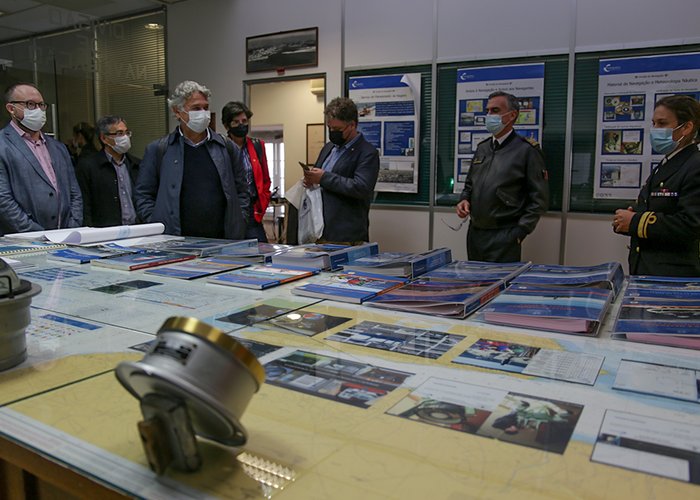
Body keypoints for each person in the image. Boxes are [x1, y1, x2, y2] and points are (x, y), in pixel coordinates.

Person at [134, 80, 250, 239]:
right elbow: (143, 194)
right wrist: (155, 222)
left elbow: (242, 190)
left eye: (206, 108)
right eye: (196, 108)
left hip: (222, 241)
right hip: (175, 242)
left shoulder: (226, 147)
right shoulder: (159, 150)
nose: (203, 113)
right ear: (177, 111)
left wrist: (240, 219)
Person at [456, 91, 549, 262]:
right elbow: (469, 184)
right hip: (476, 232)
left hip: (505, 234)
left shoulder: (526, 151)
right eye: (488, 111)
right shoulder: (482, 148)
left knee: (498, 286)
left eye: (495, 110)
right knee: (475, 284)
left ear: (512, 115)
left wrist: (520, 232)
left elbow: (539, 200)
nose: (489, 115)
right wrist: (464, 199)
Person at [613, 95, 700, 276]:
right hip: (648, 268)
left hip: (674, 275)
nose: (655, 130)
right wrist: (628, 219)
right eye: (653, 124)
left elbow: (691, 224)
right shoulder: (669, 161)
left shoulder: (694, 164)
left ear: (687, 127)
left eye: (662, 124)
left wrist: (635, 222)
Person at [0, 82, 82, 234]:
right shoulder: (3, 145)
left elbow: (74, 192)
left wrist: (73, 227)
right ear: (11, 108)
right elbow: (3, 200)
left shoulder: (58, 147)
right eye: (30, 104)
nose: (38, 110)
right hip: (23, 241)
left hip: (65, 238)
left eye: (41, 105)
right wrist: (36, 233)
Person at [302, 97, 379, 243]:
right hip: (320, 231)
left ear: (352, 125)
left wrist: (323, 178)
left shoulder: (367, 153)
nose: (332, 132)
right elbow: (320, 178)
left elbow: (361, 188)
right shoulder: (328, 148)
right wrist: (312, 180)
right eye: (329, 128)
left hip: (347, 236)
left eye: (337, 129)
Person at [75, 115, 140, 227]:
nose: (125, 137)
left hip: (137, 229)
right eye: (119, 134)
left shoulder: (137, 165)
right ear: (104, 138)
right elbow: (85, 205)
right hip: (106, 232)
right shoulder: (88, 166)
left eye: (127, 133)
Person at [221, 101, 271, 242]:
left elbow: (266, 180)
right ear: (227, 125)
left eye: (244, 121)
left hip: (252, 210)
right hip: (230, 210)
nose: (241, 125)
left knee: (261, 251)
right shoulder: (221, 147)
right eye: (236, 122)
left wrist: (263, 203)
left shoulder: (257, 146)